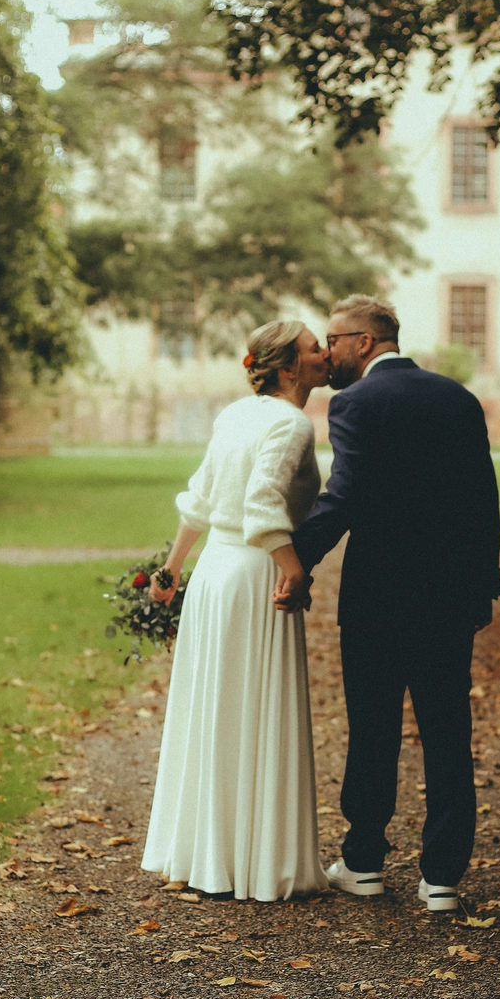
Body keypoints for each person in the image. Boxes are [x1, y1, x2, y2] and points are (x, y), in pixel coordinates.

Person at [282, 295, 500, 912]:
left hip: (378, 594)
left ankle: (364, 863)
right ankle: (443, 878)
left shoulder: (355, 403)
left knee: (373, 728)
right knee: (447, 731)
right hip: (449, 595)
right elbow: (482, 499)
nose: (327, 352)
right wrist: (483, 586)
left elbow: (344, 496)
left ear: (364, 341)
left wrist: (294, 557)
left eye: (333, 340)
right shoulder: (458, 398)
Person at [140, 320, 330, 901]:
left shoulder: (233, 415)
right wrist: (294, 569)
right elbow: (262, 506)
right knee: (247, 708)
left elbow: (199, 499)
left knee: (214, 710)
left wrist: (172, 569)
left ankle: (201, 856)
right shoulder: (292, 423)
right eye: (313, 348)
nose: (325, 354)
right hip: (253, 574)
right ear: (289, 368)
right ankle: (252, 862)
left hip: (214, 575)